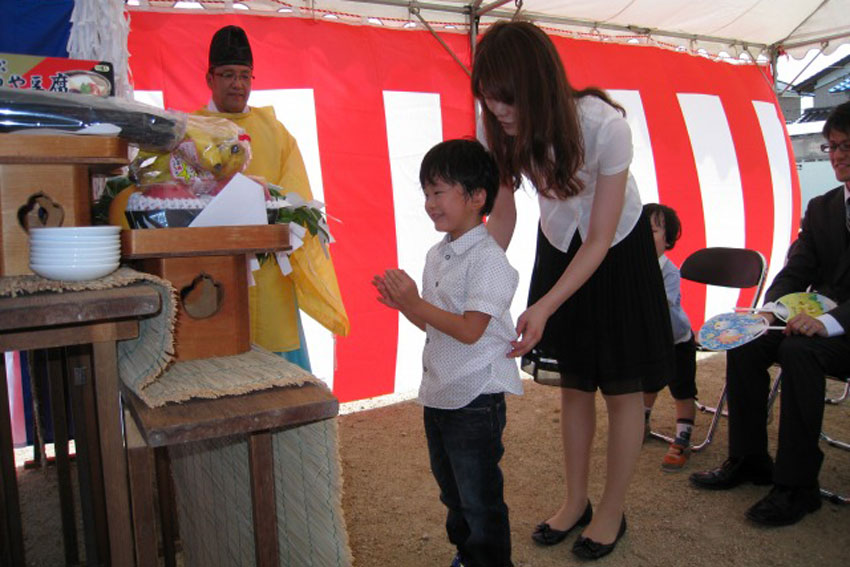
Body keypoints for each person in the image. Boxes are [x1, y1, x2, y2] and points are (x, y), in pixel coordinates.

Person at [472, 21, 673, 560]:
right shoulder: (493, 118)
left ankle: (611, 511)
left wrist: (542, 307)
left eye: (506, 100)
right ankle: (575, 501)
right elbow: (506, 207)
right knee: (575, 383)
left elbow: (602, 237)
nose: (497, 111)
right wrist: (482, 277)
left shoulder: (607, 126)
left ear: (537, 84)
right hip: (560, 245)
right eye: (489, 100)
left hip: (618, 255)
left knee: (622, 388)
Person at [689, 100, 850, 526]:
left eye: (846, 147)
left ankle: (798, 486)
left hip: (842, 329)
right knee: (748, 339)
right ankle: (749, 458)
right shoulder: (823, 207)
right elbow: (797, 268)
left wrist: (826, 323)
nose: (836, 156)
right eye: (832, 146)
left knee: (800, 353)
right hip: (818, 320)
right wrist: (770, 311)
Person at [372, 139, 523, 567]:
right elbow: (435, 326)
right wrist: (405, 305)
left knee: (479, 497)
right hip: (441, 390)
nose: (429, 203)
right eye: (426, 193)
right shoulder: (437, 255)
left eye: (439, 192)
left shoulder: (490, 259)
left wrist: (416, 303)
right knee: (452, 490)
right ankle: (466, 555)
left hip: (476, 394)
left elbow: (472, 331)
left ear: (477, 197)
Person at [197, 25, 348, 369]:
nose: (238, 84)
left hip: (270, 274)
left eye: (245, 75)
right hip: (215, 271)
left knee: (283, 379)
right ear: (210, 77)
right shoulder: (192, 129)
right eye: (228, 75)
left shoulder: (274, 131)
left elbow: (298, 201)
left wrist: (272, 205)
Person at [641, 203, 698, 471]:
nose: (643, 237)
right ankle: (641, 423)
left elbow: (663, 306)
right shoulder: (633, 269)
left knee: (682, 389)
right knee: (648, 384)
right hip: (651, 341)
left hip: (677, 341)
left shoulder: (668, 270)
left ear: (668, 238)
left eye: (651, 231)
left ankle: (683, 437)